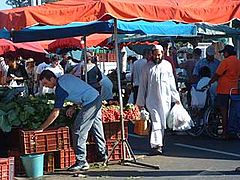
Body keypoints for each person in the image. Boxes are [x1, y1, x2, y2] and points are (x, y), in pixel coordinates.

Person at [38, 70, 107, 171]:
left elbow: (55, 112)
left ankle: (81, 162)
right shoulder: (66, 77)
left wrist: (41, 128)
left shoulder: (60, 89)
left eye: (46, 83)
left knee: (78, 131)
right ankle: (103, 155)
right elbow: (79, 89)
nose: (45, 86)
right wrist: (74, 106)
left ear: (52, 79)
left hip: (90, 103)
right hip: (96, 97)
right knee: (97, 129)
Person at [136, 45, 180, 155]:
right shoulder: (147, 67)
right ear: (152, 54)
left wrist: (176, 98)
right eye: (155, 55)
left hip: (165, 100)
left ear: (162, 54)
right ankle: (156, 146)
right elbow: (142, 86)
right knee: (156, 121)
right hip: (151, 100)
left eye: (159, 55)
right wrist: (140, 103)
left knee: (162, 123)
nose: (157, 57)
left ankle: (159, 143)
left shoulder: (167, 66)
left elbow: (171, 83)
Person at [206, 45, 240, 139]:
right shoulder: (238, 61)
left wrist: (210, 82)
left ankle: (225, 133)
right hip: (235, 90)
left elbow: (217, 74)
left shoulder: (225, 62)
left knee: (223, 112)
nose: (223, 54)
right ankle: (233, 130)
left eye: (224, 52)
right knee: (233, 112)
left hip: (224, 90)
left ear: (227, 53)